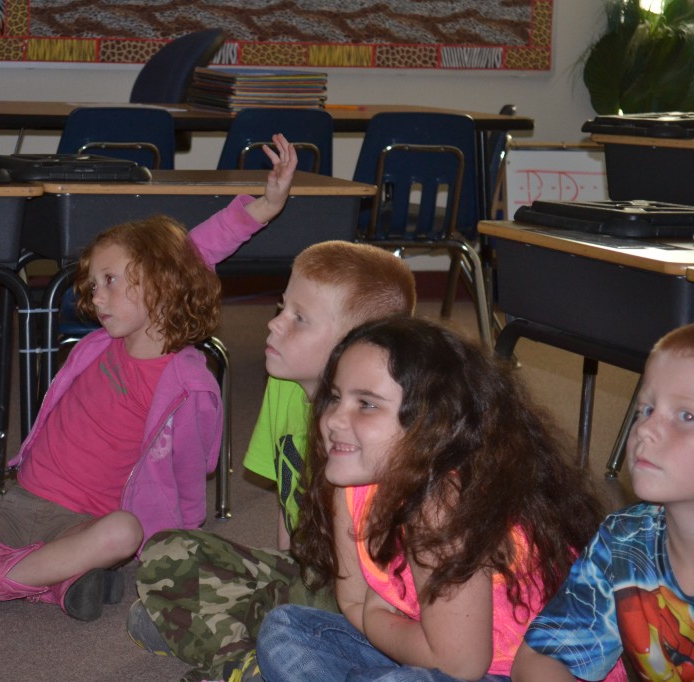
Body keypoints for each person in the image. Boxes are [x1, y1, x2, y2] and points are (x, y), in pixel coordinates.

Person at [0, 136, 300, 622]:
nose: (97, 297)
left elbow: (189, 472)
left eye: (111, 281)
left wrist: (265, 206)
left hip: (82, 526)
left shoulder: (186, 383)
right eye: (93, 284)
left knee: (123, 533)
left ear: (162, 281)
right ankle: (47, 582)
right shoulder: (101, 344)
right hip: (16, 505)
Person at [256, 316, 613, 681]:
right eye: (334, 397)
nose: (333, 419)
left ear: (431, 424)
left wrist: (377, 615)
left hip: (507, 672)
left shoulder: (440, 504)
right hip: (415, 645)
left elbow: (460, 664)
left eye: (366, 404)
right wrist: (377, 618)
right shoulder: (349, 481)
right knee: (284, 629)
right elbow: (351, 601)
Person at [130, 241, 417, 681]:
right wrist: (284, 574)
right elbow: (287, 505)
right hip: (309, 574)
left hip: (363, 595)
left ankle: (242, 658)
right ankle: (252, 658)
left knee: (182, 608)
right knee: (166, 551)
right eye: (282, 307)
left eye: (299, 319)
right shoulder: (283, 385)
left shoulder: (374, 427)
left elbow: (381, 581)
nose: (274, 324)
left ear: (357, 344)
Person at [512, 323, 694, 681]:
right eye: (645, 409)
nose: (644, 429)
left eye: (686, 416)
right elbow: (539, 661)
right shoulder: (625, 541)